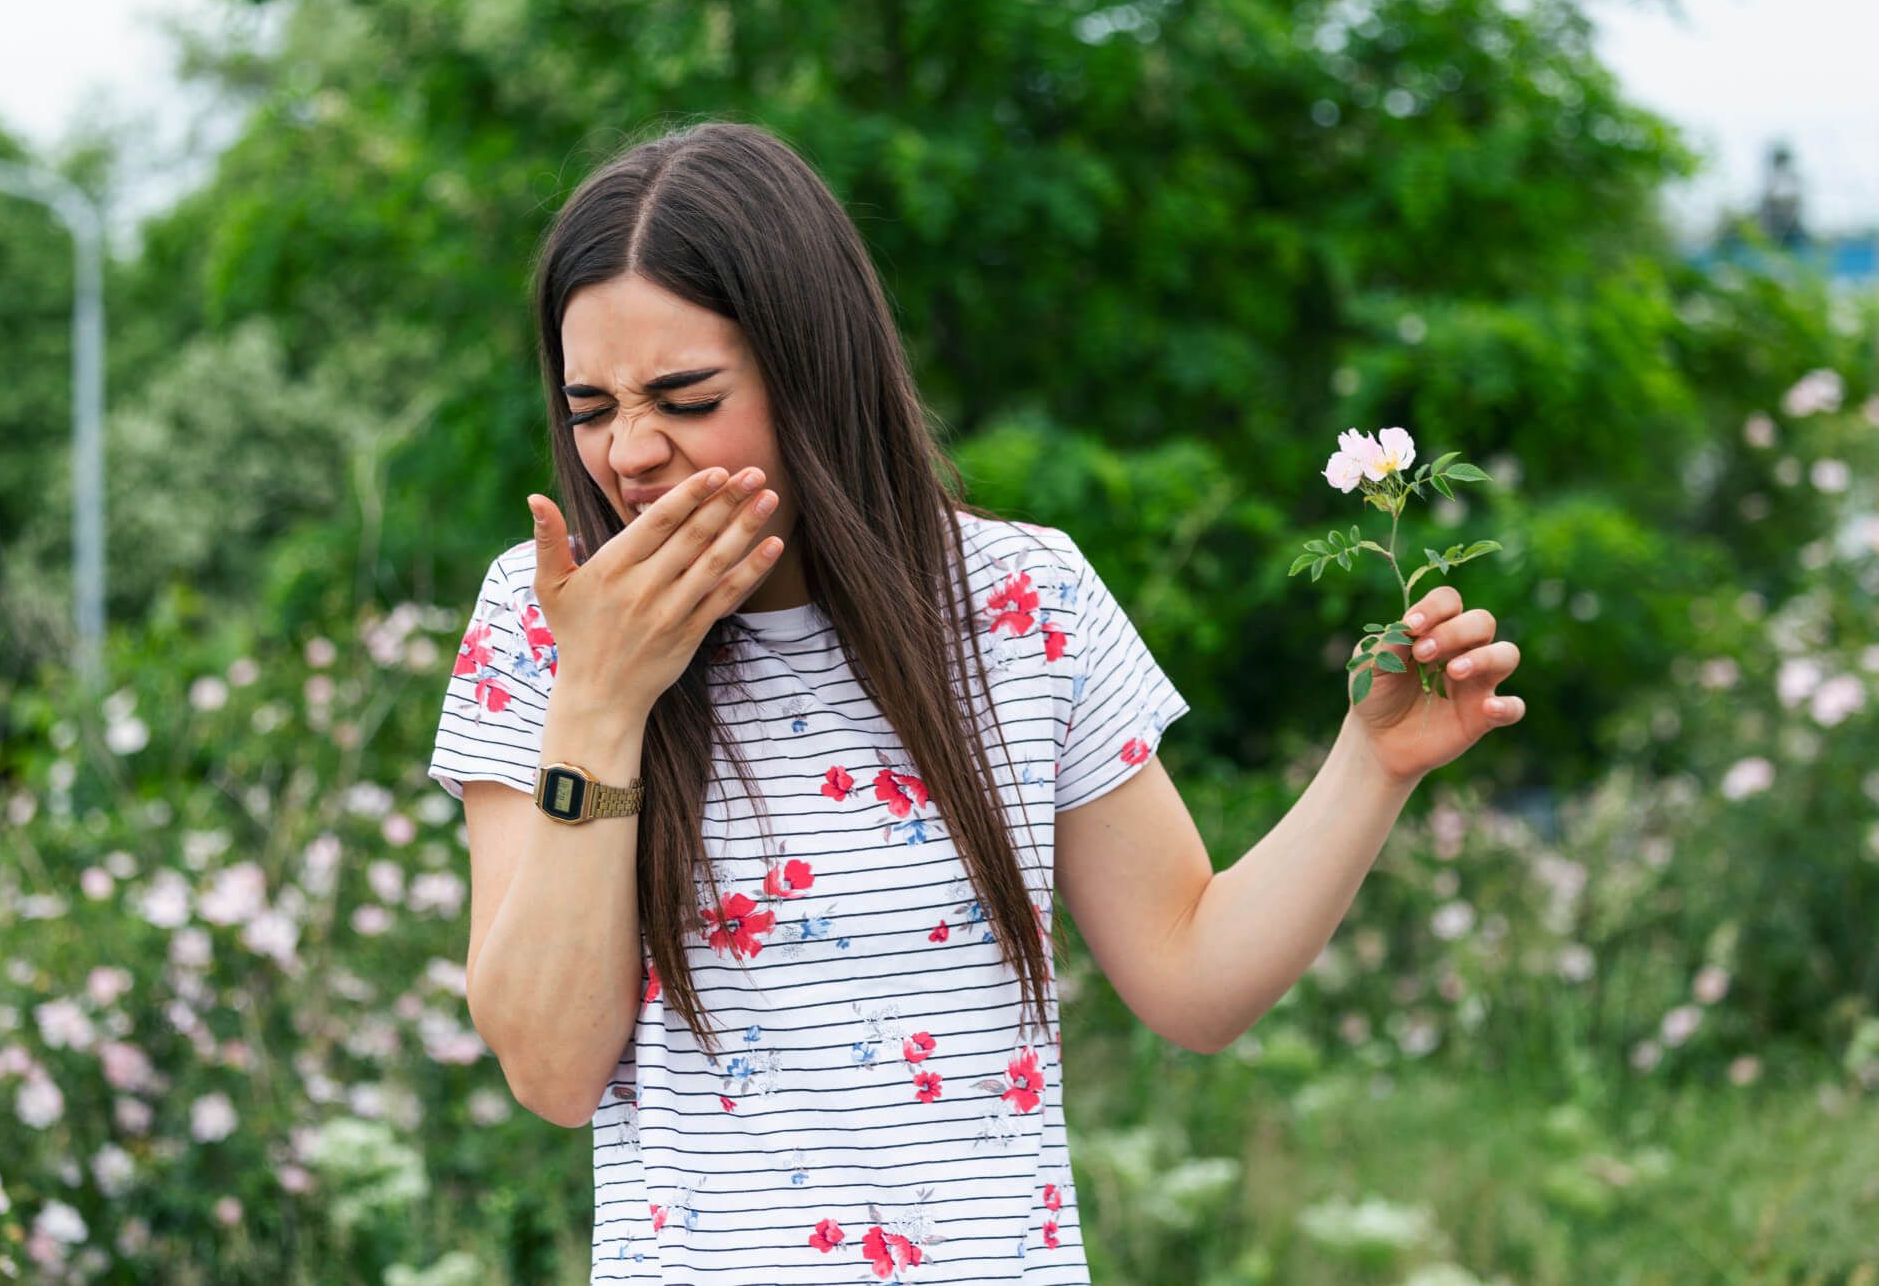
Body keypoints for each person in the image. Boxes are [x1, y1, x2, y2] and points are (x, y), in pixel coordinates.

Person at [428, 120, 1525, 1282]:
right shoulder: (540, 618)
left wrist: (1373, 762)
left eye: (686, 396)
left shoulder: (1019, 599)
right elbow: (549, 1072)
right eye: (590, 407)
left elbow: (1192, 981)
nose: (630, 452)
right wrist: (600, 699)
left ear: (811, 366)